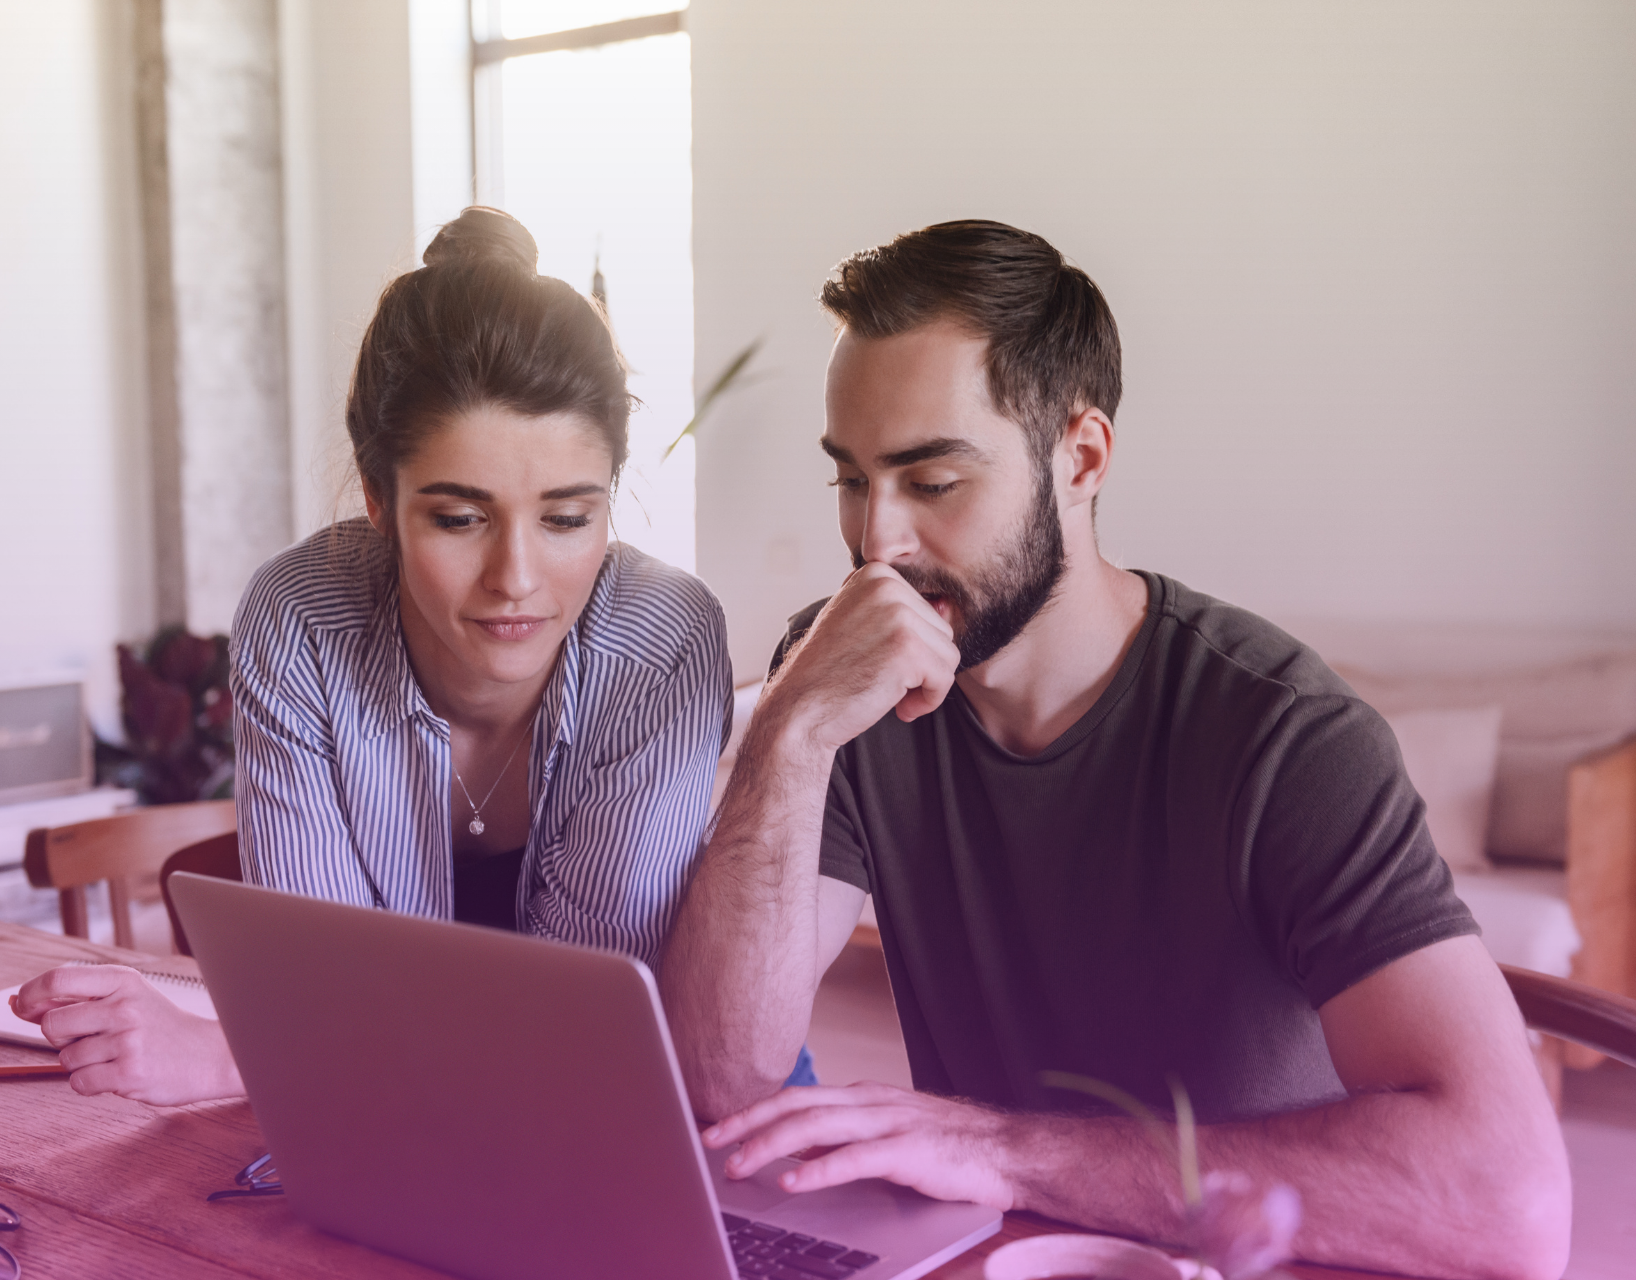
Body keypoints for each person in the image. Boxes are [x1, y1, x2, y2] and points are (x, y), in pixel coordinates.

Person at [658, 220, 1570, 1280]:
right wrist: (791, 726)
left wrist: (1001, 1148)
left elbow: (1511, 1201)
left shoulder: (1285, 735)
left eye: (933, 481)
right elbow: (718, 1077)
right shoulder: (847, 680)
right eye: (852, 481)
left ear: (1081, 457)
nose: (878, 543)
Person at [13, 207, 737, 1105]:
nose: (515, 578)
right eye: (459, 518)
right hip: (394, 1116)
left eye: (565, 519)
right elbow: (325, 986)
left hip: (647, 1110)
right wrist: (302, 1042)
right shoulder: (304, 619)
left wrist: (235, 1060)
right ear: (377, 498)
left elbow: (576, 1031)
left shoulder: (664, 644)